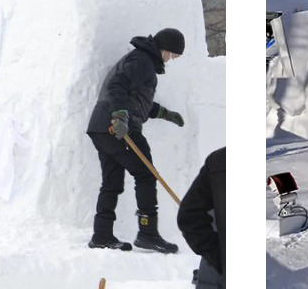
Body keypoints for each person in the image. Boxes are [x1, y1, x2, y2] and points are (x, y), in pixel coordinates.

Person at [86, 28, 187, 253]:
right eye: (172, 55)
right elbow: (117, 86)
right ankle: (148, 233)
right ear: (164, 48)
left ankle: (101, 235)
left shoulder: (141, 60)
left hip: (102, 128)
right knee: (146, 174)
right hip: (118, 128)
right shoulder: (142, 62)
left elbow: (138, 102)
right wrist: (120, 116)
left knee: (112, 183)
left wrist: (165, 114)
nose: (171, 60)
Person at [179, 148, 226, 288]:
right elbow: (190, 217)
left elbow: (189, 216)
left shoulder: (218, 161)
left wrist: (216, 258)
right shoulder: (217, 163)